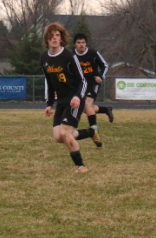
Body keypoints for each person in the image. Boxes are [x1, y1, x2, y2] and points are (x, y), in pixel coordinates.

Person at [41, 22, 98, 173]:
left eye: (57, 35)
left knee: (64, 133)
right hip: (60, 101)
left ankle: (81, 166)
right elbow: (50, 82)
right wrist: (49, 103)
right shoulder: (44, 58)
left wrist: (78, 97)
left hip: (74, 100)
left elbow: (83, 80)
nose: (54, 38)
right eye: (51, 36)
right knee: (58, 137)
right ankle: (91, 133)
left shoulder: (69, 56)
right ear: (47, 39)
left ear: (62, 39)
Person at [73, 33, 113, 148]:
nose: (81, 45)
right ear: (75, 44)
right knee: (86, 108)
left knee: (86, 104)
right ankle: (106, 109)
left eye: (83, 42)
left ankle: (94, 132)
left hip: (92, 83)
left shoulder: (93, 53)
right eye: (79, 43)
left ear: (86, 43)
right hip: (81, 84)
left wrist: (101, 76)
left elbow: (105, 65)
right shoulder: (72, 55)